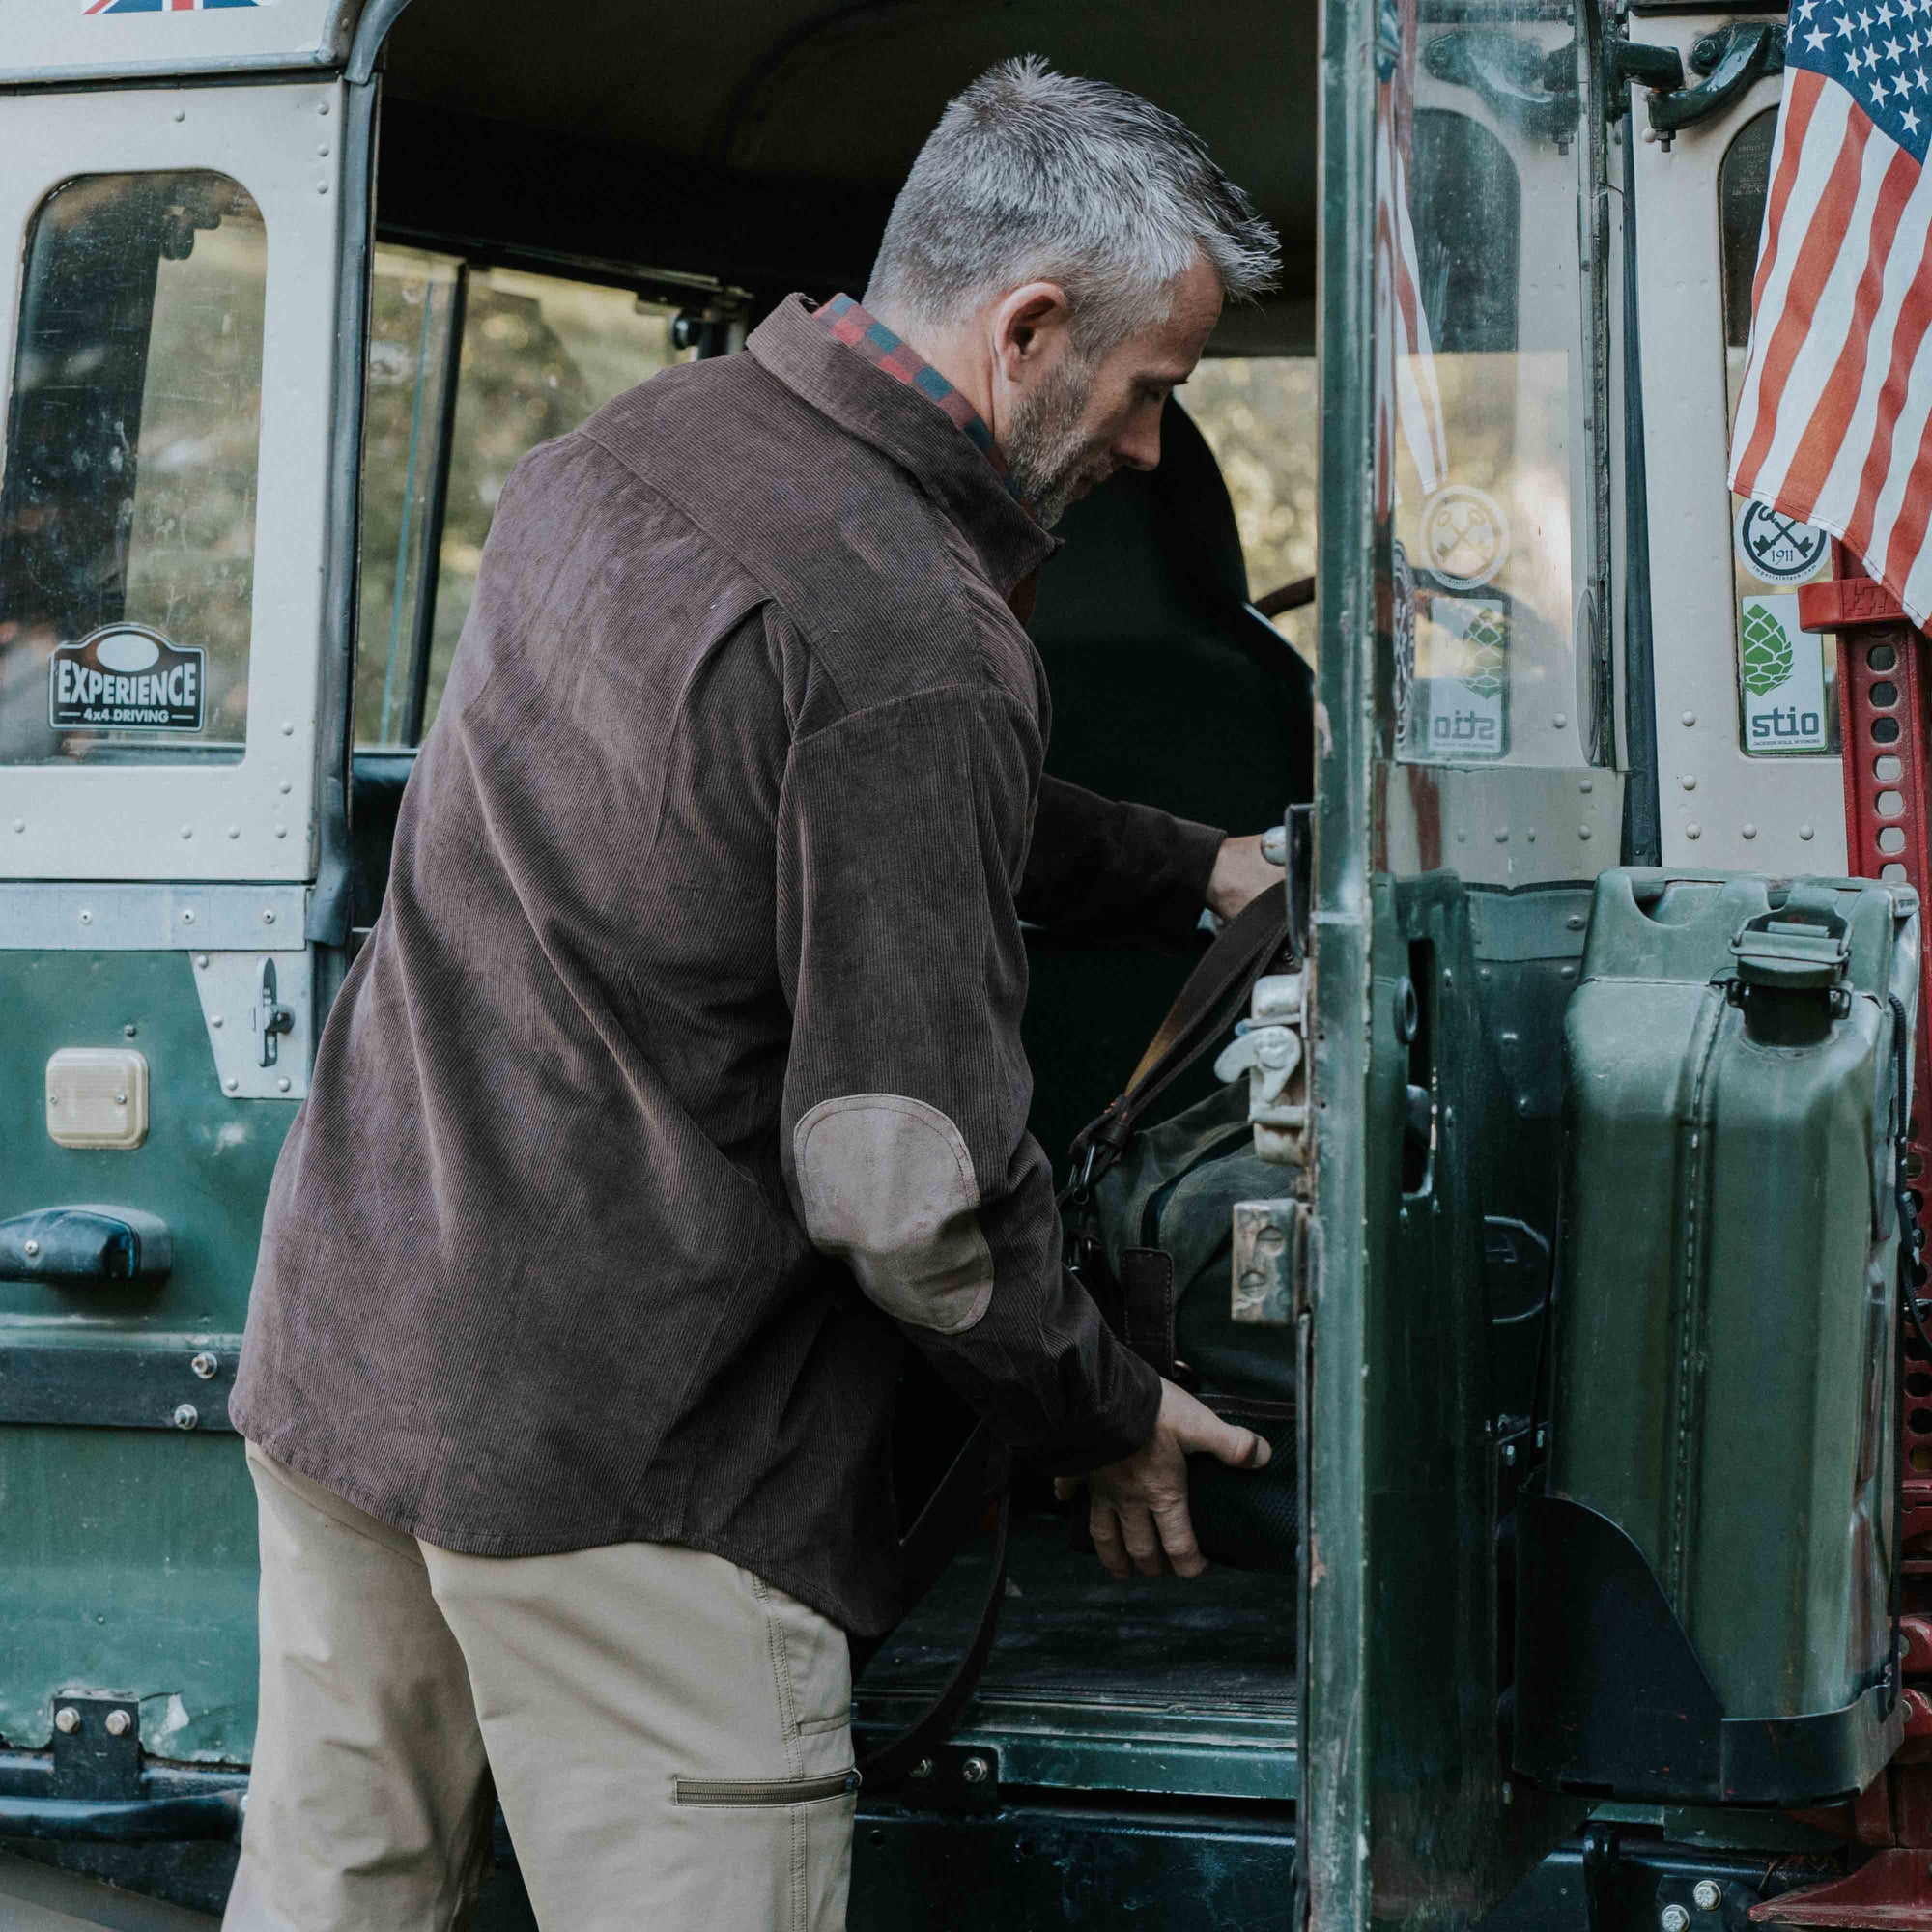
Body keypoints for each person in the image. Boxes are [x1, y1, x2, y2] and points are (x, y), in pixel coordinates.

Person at [225, 55, 1284, 1932]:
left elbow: (775, 792)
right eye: (1149, 393)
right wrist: (1105, 1402)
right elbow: (911, 1194)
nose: (1143, 452)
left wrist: (1192, 865)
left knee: (339, 1896)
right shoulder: (918, 642)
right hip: (643, 1464)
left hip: (357, 1362)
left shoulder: (613, 462)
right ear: (1028, 326)